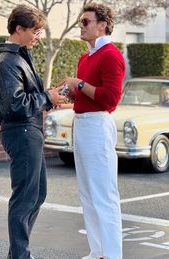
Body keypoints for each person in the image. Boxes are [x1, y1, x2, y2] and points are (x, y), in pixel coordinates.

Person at [0, 4, 66, 259]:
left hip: (28, 130)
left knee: (37, 194)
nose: (38, 37)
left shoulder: (17, 56)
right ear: (19, 29)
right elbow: (16, 104)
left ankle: (18, 254)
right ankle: (20, 255)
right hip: (22, 132)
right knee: (25, 198)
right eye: (35, 31)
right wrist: (46, 97)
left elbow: (6, 98)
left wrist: (48, 99)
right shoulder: (8, 60)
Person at [60, 2, 125, 259]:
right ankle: (97, 251)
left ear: (102, 25)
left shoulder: (111, 55)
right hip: (83, 123)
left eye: (86, 21)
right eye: (81, 21)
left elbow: (110, 99)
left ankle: (111, 255)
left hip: (98, 125)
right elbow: (86, 96)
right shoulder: (85, 57)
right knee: (87, 193)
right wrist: (70, 91)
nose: (81, 26)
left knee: (104, 194)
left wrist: (81, 83)